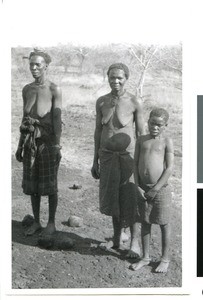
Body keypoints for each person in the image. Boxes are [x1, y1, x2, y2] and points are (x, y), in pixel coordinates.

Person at [91, 63, 145, 257]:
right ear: (108, 78)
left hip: (128, 158)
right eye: (112, 77)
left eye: (120, 78)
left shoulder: (134, 102)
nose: (116, 81)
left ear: (126, 78)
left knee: (131, 199)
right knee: (113, 198)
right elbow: (99, 131)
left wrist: (141, 163)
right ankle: (116, 239)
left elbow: (141, 134)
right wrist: (94, 159)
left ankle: (135, 243)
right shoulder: (101, 101)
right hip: (106, 157)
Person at [15, 48, 62, 236]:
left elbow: (57, 120)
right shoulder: (27, 89)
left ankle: (51, 222)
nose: (34, 68)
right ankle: (36, 220)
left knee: (50, 184)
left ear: (46, 66)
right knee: (33, 183)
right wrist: (19, 146)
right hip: (29, 141)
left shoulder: (54, 89)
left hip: (47, 142)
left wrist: (57, 146)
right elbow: (24, 120)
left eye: (38, 64)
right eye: (31, 64)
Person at [130, 108, 174, 273]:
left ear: (165, 126)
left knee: (164, 223)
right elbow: (135, 164)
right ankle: (145, 257)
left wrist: (155, 189)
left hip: (160, 190)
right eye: (152, 123)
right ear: (147, 122)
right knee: (145, 222)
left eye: (159, 125)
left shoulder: (166, 141)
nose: (154, 127)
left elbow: (169, 168)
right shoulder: (141, 140)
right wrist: (137, 186)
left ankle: (165, 258)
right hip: (142, 189)